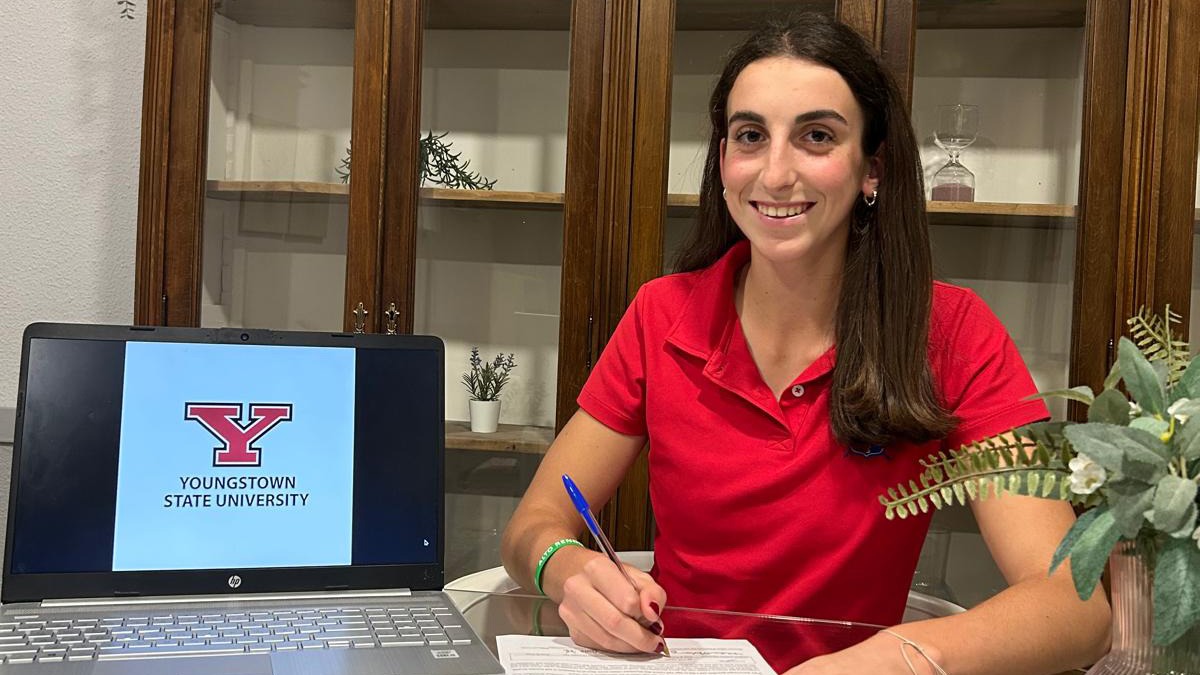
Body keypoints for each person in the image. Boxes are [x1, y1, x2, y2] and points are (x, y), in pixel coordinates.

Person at [500, 12, 1110, 675]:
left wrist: (896, 656)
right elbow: (534, 522)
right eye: (751, 136)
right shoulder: (660, 314)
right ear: (723, 160)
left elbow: (1075, 607)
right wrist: (567, 568)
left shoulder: (954, 331)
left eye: (817, 136)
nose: (775, 173)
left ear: (872, 168)